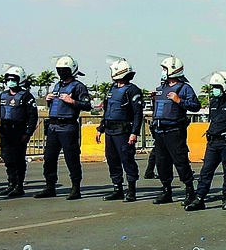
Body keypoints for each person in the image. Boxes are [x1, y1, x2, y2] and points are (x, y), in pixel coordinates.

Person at [185, 71, 226, 211]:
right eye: (213, 87)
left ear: (225, 86)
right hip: (213, 142)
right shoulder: (213, 102)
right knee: (206, 171)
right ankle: (199, 198)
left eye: (217, 87)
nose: (214, 90)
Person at [36, 56, 92, 200]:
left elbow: (87, 105)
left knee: (71, 158)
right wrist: (49, 100)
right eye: (59, 70)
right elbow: (55, 105)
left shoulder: (79, 86)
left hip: (68, 126)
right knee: (49, 158)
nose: (62, 72)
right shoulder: (57, 86)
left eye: (64, 70)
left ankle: (75, 187)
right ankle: (50, 186)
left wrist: (72, 101)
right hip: (53, 127)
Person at [150, 55, 200, 205]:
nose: (162, 72)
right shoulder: (161, 88)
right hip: (159, 131)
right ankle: (166, 191)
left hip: (174, 131)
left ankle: (190, 191)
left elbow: (195, 106)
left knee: (180, 161)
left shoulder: (184, 88)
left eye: (164, 69)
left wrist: (179, 100)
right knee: (162, 162)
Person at [96, 58, 144, 203]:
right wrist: (100, 129)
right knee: (112, 161)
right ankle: (117, 189)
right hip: (110, 131)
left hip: (124, 132)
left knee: (127, 160)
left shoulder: (132, 90)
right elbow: (107, 111)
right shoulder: (112, 89)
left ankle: (131, 190)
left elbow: (137, 113)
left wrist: (134, 132)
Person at [0, 64, 38, 198]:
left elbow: (32, 115)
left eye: (13, 79)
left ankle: (19, 186)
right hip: (5, 131)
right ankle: (11, 184)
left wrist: (28, 133)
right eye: (8, 79)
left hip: (19, 131)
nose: (10, 82)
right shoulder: (3, 95)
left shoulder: (26, 96)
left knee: (18, 159)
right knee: (7, 158)